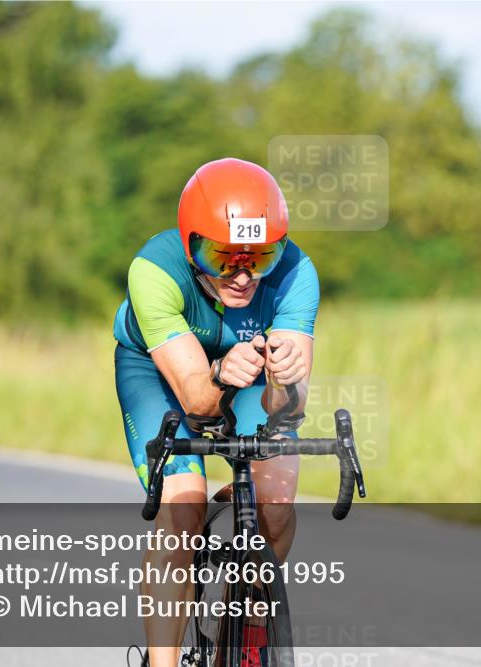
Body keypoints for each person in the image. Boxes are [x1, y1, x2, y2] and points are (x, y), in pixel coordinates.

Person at [113, 158, 319, 667]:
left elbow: (286, 410)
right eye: (223, 257)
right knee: (184, 507)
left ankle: (248, 625)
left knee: (275, 500)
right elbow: (196, 400)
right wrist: (220, 373)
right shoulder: (155, 270)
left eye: (260, 259)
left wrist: (285, 381)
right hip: (163, 374)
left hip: (246, 371)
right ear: (191, 244)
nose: (244, 277)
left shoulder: (297, 272)